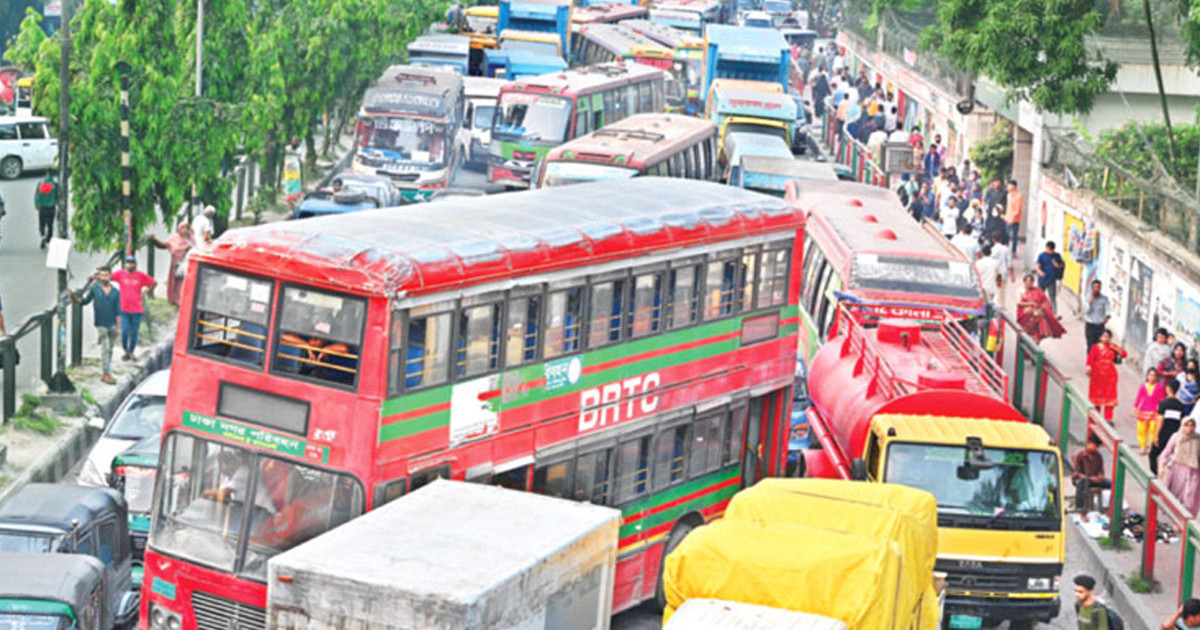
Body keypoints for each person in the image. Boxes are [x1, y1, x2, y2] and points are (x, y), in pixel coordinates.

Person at [72, 266, 121, 385]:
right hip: (100, 323)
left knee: (110, 350)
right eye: (102, 275)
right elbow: (85, 301)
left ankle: (107, 369)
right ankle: (106, 373)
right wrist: (74, 297)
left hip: (112, 323)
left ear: (110, 276)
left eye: (106, 275)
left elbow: (118, 311)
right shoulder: (95, 289)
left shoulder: (115, 292)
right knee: (105, 347)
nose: (104, 277)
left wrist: (118, 327)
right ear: (99, 277)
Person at [111, 256, 157, 361]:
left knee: (134, 332)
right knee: (125, 331)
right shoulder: (120, 274)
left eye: (132, 262)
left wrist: (145, 292)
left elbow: (153, 282)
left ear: (135, 264)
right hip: (124, 309)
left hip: (137, 309)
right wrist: (94, 278)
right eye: (128, 262)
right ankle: (125, 350)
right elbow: (108, 277)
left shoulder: (140, 276)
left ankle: (131, 351)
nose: (129, 264)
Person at [1159, 416, 1200, 516]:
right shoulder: (1176, 437)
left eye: (1192, 425)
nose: (1189, 428)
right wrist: (1161, 467)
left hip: (1193, 471)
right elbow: (1167, 451)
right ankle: (1175, 517)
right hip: (1177, 469)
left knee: (1190, 496)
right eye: (1187, 425)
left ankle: (1186, 520)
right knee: (1175, 494)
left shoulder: (1197, 439)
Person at [1087, 329, 1127, 423]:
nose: (1106, 338)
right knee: (1097, 395)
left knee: (1109, 396)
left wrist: (1116, 349)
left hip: (1110, 375)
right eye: (1104, 336)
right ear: (1100, 337)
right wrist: (1089, 368)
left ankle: (1108, 418)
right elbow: (1090, 359)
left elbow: (1124, 354)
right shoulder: (1095, 347)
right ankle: (1095, 417)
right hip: (1097, 374)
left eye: (1107, 336)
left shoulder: (1112, 347)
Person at [151, 222, 194, 307]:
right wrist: (155, 241)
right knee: (175, 282)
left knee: (185, 283)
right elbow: (165, 245)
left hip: (188, 263)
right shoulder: (174, 238)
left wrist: (188, 248)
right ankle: (174, 300)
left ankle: (184, 301)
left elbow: (195, 248)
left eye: (187, 228)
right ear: (179, 229)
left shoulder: (191, 239)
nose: (185, 230)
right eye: (183, 228)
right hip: (176, 263)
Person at [1017, 274, 1065, 342]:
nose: (1029, 283)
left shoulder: (1037, 290)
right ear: (1024, 282)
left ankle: (1037, 339)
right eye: (1027, 282)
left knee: (1041, 316)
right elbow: (1018, 303)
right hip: (1026, 312)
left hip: (1037, 312)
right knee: (1031, 313)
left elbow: (1045, 301)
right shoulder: (1021, 291)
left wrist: (1043, 308)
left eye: (1031, 282)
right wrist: (1031, 304)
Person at [1152, 379, 1187, 475]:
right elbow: (1182, 422)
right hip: (1174, 435)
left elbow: (1160, 420)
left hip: (1164, 433)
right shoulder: (1181, 405)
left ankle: (1155, 475)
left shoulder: (1163, 403)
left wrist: (1156, 436)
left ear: (1168, 389)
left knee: (1153, 454)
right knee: (1170, 456)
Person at [1071, 435, 1110, 512]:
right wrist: (1090, 478)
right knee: (1083, 482)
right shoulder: (1079, 455)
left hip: (1095, 479)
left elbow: (1101, 470)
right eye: (1095, 446)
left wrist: (1100, 477)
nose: (1096, 448)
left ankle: (1110, 508)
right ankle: (1080, 509)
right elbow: (1077, 473)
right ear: (1089, 443)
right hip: (1081, 479)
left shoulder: (1098, 456)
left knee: (1111, 483)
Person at [1134, 368, 1167, 453]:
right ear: (1147, 376)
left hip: (1154, 412)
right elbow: (1139, 397)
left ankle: (1152, 447)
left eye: (1154, 375)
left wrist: (1161, 408)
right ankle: (1142, 447)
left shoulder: (1159, 387)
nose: (1152, 377)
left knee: (1153, 429)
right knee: (1141, 430)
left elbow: (1162, 398)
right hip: (1143, 410)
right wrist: (1135, 407)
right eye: (1150, 375)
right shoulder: (1143, 386)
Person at [1035, 241, 1065, 313]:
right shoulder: (1042, 256)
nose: (1050, 251)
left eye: (1051, 250)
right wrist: (1040, 272)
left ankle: (1054, 313)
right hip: (1042, 280)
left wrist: (1058, 266)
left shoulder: (1056, 256)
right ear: (1046, 248)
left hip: (1051, 280)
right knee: (1040, 296)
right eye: (1049, 249)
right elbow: (1037, 266)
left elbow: (1062, 264)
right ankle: (1038, 311)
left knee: (1052, 297)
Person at [1084, 280, 1111, 353]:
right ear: (1092, 288)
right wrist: (1091, 301)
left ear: (1100, 288)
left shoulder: (1104, 299)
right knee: (1090, 346)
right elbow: (1086, 311)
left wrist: (1107, 317)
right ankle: (1090, 363)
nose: (1096, 289)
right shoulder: (1087, 298)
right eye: (1094, 287)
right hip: (1090, 325)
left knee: (1099, 346)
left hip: (1100, 326)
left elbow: (1108, 309)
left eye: (1098, 287)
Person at [33, 172, 57, 249]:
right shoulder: (55, 184)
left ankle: (42, 235)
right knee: (50, 224)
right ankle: (48, 238)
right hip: (51, 207)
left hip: (42, 207)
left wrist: (36, 204)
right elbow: (58, 195)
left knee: (42, 223)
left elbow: (36, 194)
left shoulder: (40, 183)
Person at [1005, 179, 1023, 255]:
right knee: (1006, 235)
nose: (1008, 187)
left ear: (1014, 186)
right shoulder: (1009, 195)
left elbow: (1018, 210)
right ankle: (1006, 250)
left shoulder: (1019, 196)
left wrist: (1012, 219)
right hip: (1008, 218)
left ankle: (1013, 251)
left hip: (1015, 220)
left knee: (1015, 236)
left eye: (1010, 185)